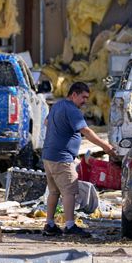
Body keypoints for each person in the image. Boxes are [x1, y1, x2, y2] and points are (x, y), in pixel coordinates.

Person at [41, 82, 116, 237]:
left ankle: (49, 224)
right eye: (83, 97)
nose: (85, 101)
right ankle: (69, 225)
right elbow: (86, 131)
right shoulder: (72, 110)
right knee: (70, 192)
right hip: (62, 158)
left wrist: (59, 132)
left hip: (49, 155)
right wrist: (107, 147)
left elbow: (46, 122)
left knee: (54, 192)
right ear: (74, 94)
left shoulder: (58, 105)